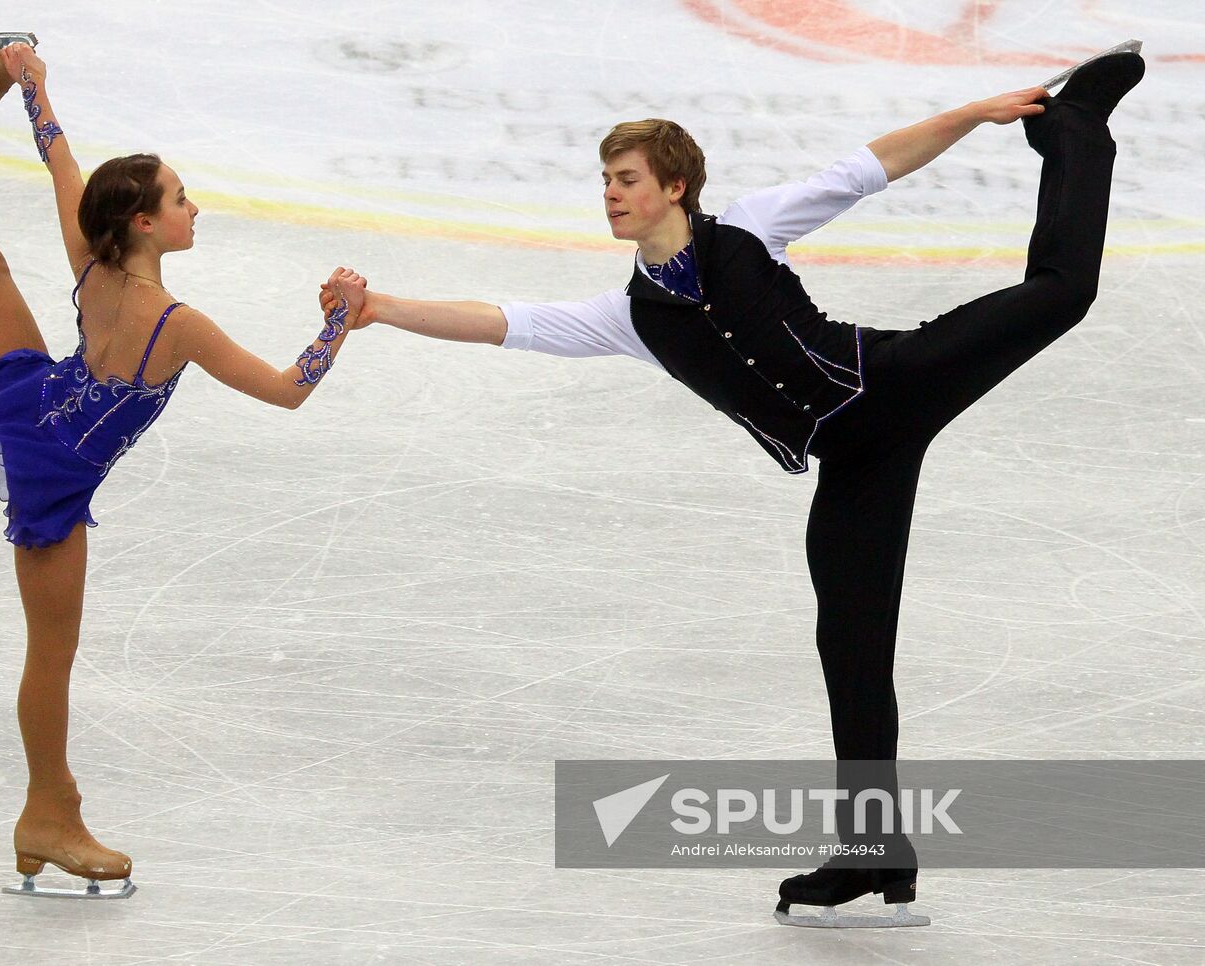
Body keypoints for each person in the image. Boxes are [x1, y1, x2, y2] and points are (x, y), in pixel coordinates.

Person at [322, 48, 1145, 925]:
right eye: (605, 180)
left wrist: (975, 113)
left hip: (897, 377)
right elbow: (502, 323)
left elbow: (868, 169)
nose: (610, 193)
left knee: (1061, 292)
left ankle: (1077, 128)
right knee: (852, 649)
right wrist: (382, 308)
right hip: (853, 462)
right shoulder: (628, 317)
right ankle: (874, 849)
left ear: (674, 186)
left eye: (626, 179)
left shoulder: (749, 229)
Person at [0, 39, 365, 897]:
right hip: (55, 478)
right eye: (179, 199)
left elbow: (60, 161)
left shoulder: (91, 259)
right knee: (51, 653)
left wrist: (32, 85)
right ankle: (48, 811)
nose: (193, 208)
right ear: (143, 221)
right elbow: (288, 391)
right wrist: (339, 322)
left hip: (33, 398)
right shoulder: (178, 324)